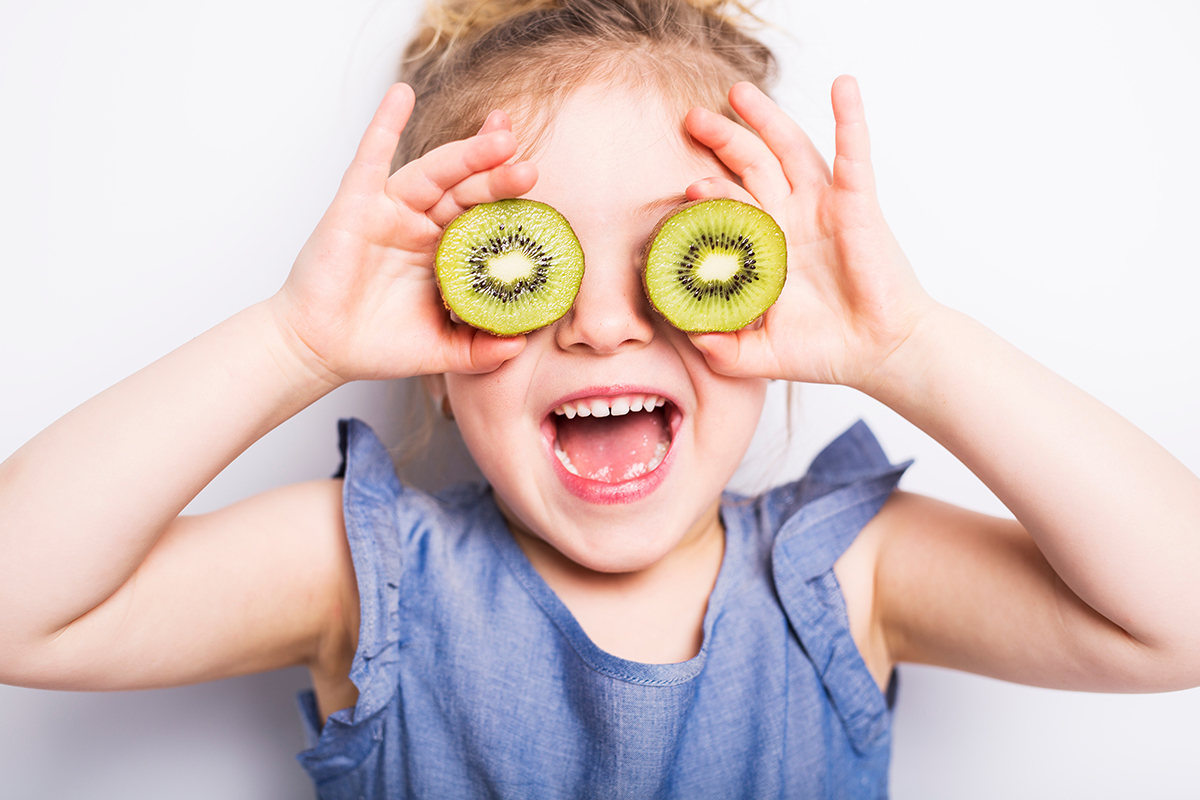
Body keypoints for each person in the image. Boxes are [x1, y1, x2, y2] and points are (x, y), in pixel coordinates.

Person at [1, 0, 1198, 797]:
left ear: (771, 283)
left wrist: (910, 348)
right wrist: (293, 338)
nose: (605, 319)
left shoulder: (843, 577)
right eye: (532, 263)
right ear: (444, 295)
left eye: (682, 255)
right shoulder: (373, 576)